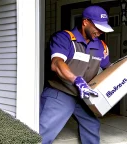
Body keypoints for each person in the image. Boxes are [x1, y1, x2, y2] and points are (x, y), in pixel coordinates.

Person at [39, 5, 114, 144]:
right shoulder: (64, 38)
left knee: (92, 126)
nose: (100, 32)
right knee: (44, 131)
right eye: (97, 28)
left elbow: (109, 69)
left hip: (83, 96)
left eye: (102, 29)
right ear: (85, 22)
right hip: (61, 92)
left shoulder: (101, 46)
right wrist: (76, 80)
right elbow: (56, 63)